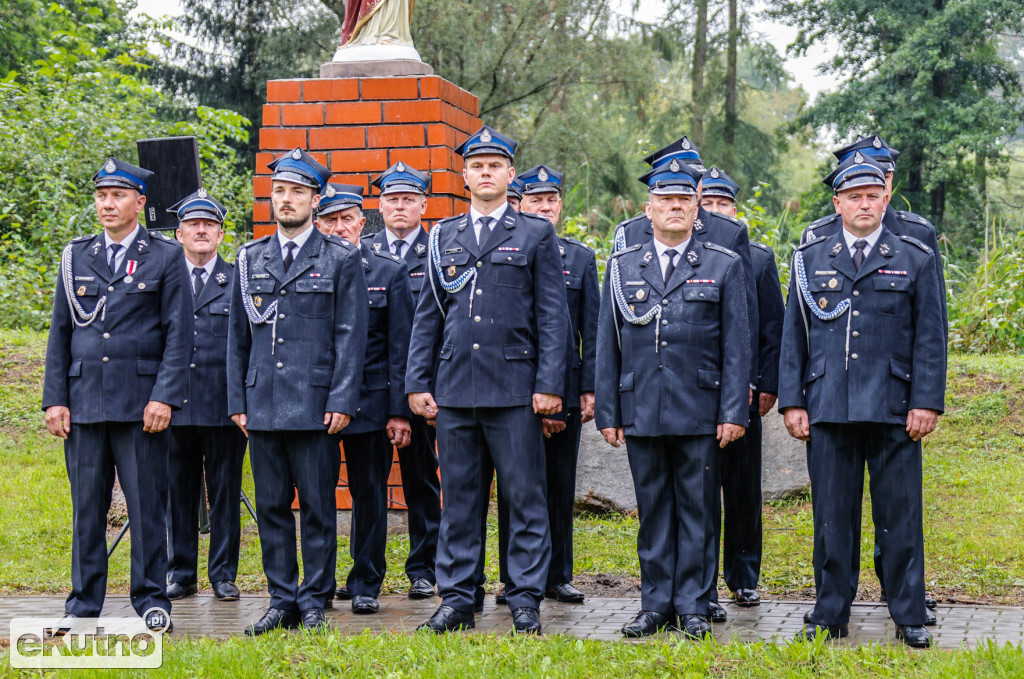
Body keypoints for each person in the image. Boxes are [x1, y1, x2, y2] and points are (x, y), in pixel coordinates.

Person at [779, 154, 946, 648]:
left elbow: (930, 338)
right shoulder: (810, 257)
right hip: (828, 403)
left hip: (896, 407)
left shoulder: (914, 254)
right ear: (838, 203)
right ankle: (830, 612)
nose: (864, 204)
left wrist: (927, 402)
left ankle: (908, 613)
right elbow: (795, 336)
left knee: (900, 516)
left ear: (886, 199)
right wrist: (793, 402)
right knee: (832, 518)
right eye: (854, 196)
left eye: (873, 195)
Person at [406, 125, 568, 634]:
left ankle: (523, 597)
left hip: (516, 390)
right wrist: (417, 381)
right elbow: (428, 315)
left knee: (524, 499)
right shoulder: (443, 235)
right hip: (455, 389)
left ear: (509, 174)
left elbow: (553, 318)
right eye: (476, 166)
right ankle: (457, 597)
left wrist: (549, 385)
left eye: (494, 165)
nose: (485, 173)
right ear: (465, 175)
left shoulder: (535, 233)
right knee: (459, 501)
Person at [595, 159, 750, 639]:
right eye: (665, 200)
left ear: (697, 206)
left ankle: (694, 605)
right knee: (654, 511)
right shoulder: (623, 267)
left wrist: (732, 412)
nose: (675, 207)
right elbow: (607, 344)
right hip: (641, 406)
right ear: (649, 209)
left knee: (699, 511)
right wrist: (608, 411)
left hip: (700, 410)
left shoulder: (724, 264)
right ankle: (654, 603)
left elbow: (736, 346)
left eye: (684, 199)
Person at [42, 157, 191, 635]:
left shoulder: (166, 256)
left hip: (141, 405)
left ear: (139, 203)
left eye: (118, 195)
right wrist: (55, 399)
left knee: (148, 508)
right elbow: (60, 334)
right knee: (88, 508)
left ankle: (152, 601)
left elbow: (178, 334)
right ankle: (84, 603)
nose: (107, 204)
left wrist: (165, 396)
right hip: (84, 404)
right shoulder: (75, 256)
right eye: (101, 196)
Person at [227, 148, 369, 635]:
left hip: (314, 406)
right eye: (280, 191)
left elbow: (351, 335)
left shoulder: (341, 258)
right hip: (262, 405)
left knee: (317, 507)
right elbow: (237, 339)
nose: (287, 200)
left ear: (316, 198)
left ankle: (314, 599)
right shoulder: (250, 258)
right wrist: (236, 402)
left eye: (298, 192)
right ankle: (280, 598)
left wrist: (341, 399)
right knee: (269, 507)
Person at [492, 164, 598, 605]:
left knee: (558, 483)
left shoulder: (579, 257)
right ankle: (513, 577)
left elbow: (590, 332)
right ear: (520, 203)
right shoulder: (504, 249)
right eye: (535, 200)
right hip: (515, 388)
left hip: (564, 390)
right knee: (515, 485)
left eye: (551, 200)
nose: (544, 207)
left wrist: (586, 389)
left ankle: (557, 573)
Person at [315, 181, 414, 615]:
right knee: (317, 494)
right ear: (319, 224)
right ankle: (320, 579)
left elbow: (400, 348)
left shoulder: (389, 271)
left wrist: (398, 411)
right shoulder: (308, 268)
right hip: (316, 403)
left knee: (369, 493)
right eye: (330, 220)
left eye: (346, 220)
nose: (339, 228)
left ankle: (365, 582)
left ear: (361, 222)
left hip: (371, 402)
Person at [699, 167, 784, 608]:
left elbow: (772, 328)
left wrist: (767, 384)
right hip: (699, 393)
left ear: (736, 210)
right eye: (707, 204)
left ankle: (744, 575)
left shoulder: (760, 258)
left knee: (744, 488)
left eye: (722, 205)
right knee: (702, 490)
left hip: (745, 393)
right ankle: (703, 580)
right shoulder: (691, 259)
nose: (715, 212)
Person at [361, 162, 443, 602]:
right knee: (368, 483)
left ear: (422, 205)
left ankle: (423, 568)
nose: (399, 206)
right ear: (379, 205)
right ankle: (365, 573)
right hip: (374, 388)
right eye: (392, 199)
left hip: (424, 387)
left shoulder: (438, 251)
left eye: (408, 199)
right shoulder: (364, 249)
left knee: (422, 480)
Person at [165, 189, 248, 604]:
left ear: (220, 234)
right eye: (193, 225)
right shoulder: (163, 278)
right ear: (178, 233)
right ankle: (181, 572)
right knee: (177, 493)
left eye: (209, 225)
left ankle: (223, 574)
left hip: (223, 408)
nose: (201, 230)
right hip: (172, 406)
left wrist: (242, 404)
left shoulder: (237, 280)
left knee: (225, 493)